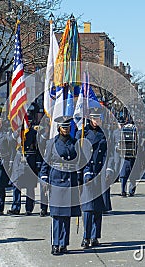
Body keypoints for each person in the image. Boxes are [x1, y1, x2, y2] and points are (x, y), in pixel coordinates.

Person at [39, 116, 82, 255]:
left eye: (68, 128)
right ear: (59, 128)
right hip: (57, 180)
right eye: (64, 128)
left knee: (66, 215)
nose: (66, 130)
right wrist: (44, 179)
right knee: (57, 215)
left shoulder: (75, 142)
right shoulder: (51, 143)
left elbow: (79, 162)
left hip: (70, 180)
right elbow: (46, 163)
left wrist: (80, 180)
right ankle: (55, 243)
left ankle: (64, 243)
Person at [76, 107, 111, 249]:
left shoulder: (106, 134)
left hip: (101, 174)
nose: (97, 121)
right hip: (88, 174)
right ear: (89, 119)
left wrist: (109, 169)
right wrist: (82, 172)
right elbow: (78, 156)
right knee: (88, 208)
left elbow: (110, 154)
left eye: (99, 119)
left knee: (98, 208)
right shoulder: (82, 134)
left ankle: (95, 236)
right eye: (94, 118)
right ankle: (86, 236)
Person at [8, 118, 38, 216]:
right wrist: (15, 134)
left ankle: (29, 208)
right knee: (16, 185)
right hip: (18, 162)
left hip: (30, 162)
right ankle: (15, 207)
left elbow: (38, 147)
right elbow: (9, 143)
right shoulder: (16, 132)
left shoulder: (33, 132)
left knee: (30, 187)